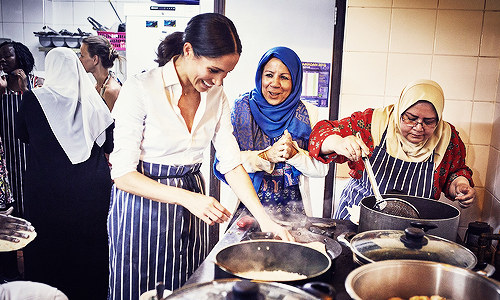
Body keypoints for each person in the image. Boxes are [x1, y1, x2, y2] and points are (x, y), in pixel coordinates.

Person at [108, 12, 293, 300]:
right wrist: (188, 198)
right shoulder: (141, 88)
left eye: (226, 74)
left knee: (189, 285)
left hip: (193, 201)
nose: (219, 82)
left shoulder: (216, 96)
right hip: (142, 206)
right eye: (213, 70)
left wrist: (265, 219)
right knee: (139, 288)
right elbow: (122, 175)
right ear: (188, 51)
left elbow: (231, 162)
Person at [15, 47, 114, 300]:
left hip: (47, 188)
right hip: (91, 188)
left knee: (48, 243)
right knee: (90, 244)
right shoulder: (93, 101)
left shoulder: (34, 98)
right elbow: (109, 143)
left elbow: (22, 135)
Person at [309, 79, 476, 220]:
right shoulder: (371, 123)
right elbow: (320, 133)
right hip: (358, 217)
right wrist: (338, 143)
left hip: (413, 228)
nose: (418, 127)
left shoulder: (447, 138)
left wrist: (460, 185)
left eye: (429, 121)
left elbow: (455, 171)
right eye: (411, 118)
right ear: (400, 111)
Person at [217, 47, 328, 218]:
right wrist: (266, 156)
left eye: (284, 77)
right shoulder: (241, 108)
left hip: (293, 212)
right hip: (246, 209)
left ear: (295, 81)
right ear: (260, 76)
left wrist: (295, 155)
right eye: (269, 75)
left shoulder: (308, 113)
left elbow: (321, 170)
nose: (275, 83)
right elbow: (223, 164)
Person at [0, 41, 42, 283]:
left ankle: (34, 268)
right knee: (8, 215)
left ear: (21, 56)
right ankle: (9, 271)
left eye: (8, 55)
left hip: (30, 158)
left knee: (33, 215)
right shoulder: (1, 86)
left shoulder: (36, 84)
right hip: (6, 162)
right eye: (0, 57)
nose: (3, 60)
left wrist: (25, 88)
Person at [80, 35, 123, 111]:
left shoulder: (111, 91)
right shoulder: (96, 86)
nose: (79, 59)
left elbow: (116, 123)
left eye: (82, 56)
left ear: (95, 59)